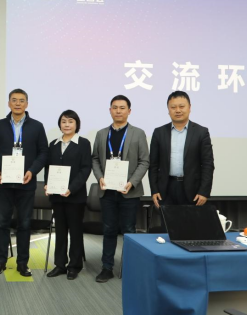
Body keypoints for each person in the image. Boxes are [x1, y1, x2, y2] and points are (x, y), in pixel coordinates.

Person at [0, 89, 48, 277]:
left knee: (24, 224)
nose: (17, 103)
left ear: (27, 104)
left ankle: (22, 263)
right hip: (4, 183)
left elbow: (43, 153)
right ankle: (0, 261)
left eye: (21, 100)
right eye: (14, 100)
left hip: (26, 183)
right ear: (9, 103)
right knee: (2, 223)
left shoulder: (37, 126)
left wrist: (32, 171)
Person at [91, 95, 149, 283]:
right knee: (108, 230)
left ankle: (129, 268)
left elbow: (144, 161)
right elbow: (95, 159)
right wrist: (99, 177)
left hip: (129, 191)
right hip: (107, 191)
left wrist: (132, 182)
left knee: (129, 230)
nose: (118, 111)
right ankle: (106, 268)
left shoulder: (138, 133)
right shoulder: (101, 134)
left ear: (129, 111)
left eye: (122, 108)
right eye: (114, 107)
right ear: (110, 110)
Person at [44, 110, 92, 281]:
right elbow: (48, 167)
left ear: (76, 124)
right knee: (60, 231)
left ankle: (74, 266)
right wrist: (47, 184)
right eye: (64, 121)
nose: (67, 125)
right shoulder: (53, 144)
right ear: (60, 124)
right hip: (57, 196)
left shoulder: (83, 143)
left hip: (75, 196)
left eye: (70, 121)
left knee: (75, 231)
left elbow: (85, 169)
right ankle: (59, 264)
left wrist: (71, 188)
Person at [149, 90, 215, 208]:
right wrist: (154, 190)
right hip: (165, 189)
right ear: (168, 110)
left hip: (193, 191)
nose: (178, 110)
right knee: (167, 220)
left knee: (190, 220)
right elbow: (153, 164)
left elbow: (207, 164)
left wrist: (204, 191)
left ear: (189, 108)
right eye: (173, 107)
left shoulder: (201, 132)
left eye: (181, 106)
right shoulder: (159, 132)